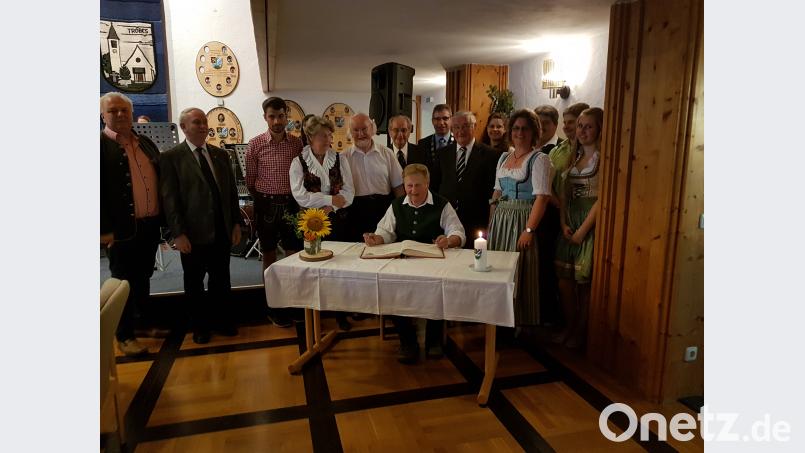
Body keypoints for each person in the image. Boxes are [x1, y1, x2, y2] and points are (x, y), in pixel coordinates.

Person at [364, 164, 465, 363]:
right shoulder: (397, 204)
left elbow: (458, 231)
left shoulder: (442, 204)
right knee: (390, 289)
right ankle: (407, 340)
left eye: (418, 185)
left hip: (432, 262)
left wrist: (449, 240)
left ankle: (434, 340)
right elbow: (385, 231)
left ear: (427, 183)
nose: (413, 191)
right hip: (403, 262)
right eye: (409, 186)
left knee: (437, 288)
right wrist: (377, 238)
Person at [160, 108, 243, 344]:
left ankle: (222, 321)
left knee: (221, 280)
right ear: (184, 127)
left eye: (205, 122)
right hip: (192, 234)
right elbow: (170, 199)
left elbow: (231, 193)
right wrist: (178, 233)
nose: (203, 126)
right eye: (197, 122)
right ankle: (200, 327)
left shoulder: (220, 155)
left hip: (221, 230)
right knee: (194, 283)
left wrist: (236, 223)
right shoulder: (171, 157)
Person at [100, 92, 163, 356]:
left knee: (143, 278)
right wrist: (103, 231)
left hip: (149, 225)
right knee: (123, 282)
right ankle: (123, 335)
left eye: (124, 110)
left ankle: (140, 325)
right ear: (103, 115)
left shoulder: (145, 142)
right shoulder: (97, 146)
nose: (120, 115)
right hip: (120, 231)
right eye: (113, 111)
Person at [488, 109, 553, 328]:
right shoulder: (504, 157)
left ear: (534, 131)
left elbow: (542, 198)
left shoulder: (539, 159)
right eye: (516, 128)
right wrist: (491, 224)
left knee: (521, 270)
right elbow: (496, 193)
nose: (519, 133)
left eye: (525, 128)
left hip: (522, 219)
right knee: (499, 271)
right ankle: (500, 320)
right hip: (502, 219)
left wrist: (528, 230)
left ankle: (520, 322)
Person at [290, 116, 355, 330]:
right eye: (323, 135)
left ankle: (340, 313)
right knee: (315, 268)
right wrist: (329, 199)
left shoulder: (339, 159)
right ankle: (315, 315)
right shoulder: (298, 162)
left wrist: (332, 207)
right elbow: (300, 196)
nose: (328, 139)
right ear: (310, 137)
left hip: (339, 221)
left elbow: (349, 192)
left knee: (339, 268)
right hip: (312, 223)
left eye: (329, 135)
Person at [245, 97, 303, 328]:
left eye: (281, 116)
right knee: (268, 255)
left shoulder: (297, 144)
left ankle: (292, 303)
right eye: (272, 116)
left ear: (287, 116)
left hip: (291, 204)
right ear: (265, 117)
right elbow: (250, 181)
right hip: (266, 205)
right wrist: (263, 198)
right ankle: (273, 307)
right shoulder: (255, 144)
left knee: (292, 255)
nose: (277, 121)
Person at [554, 107, 604, 349]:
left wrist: (583, 230)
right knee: (564, 283)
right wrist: (563, 223)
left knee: (583, 285)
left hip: (589, 223)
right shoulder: (573, 157)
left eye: (589, 126)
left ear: (599, 129)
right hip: (569, 221)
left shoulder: (603, 159)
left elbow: (602, 199)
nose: (583, 131)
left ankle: (581, 333)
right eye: (580, 126)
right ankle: (569, 326)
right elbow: (563, 197)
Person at [431, 111, 498, 243]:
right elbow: (435, 186)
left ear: (474, 127)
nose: (461, 131)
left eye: (465, 126)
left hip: (477, 223)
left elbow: (492, 191)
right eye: (456, 127)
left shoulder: (491, 155)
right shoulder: (442, 154)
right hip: (447, 223)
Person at [342, 113, 405, 242]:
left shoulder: (387, 153)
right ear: (350, 132)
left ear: (372, 129)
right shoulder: (343, 157)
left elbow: (398, 186)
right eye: (356, 130)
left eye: (364, 129)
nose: (360, 134)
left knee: (386, 249)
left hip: (384, 210)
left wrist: (402, 212)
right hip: (355, 212)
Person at [417, 104, 455, 170]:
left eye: (445, 118)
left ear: (451, 120)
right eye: (437, 119)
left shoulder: (458, 143)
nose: (441, 123)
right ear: (432, 121)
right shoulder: (422, 144)